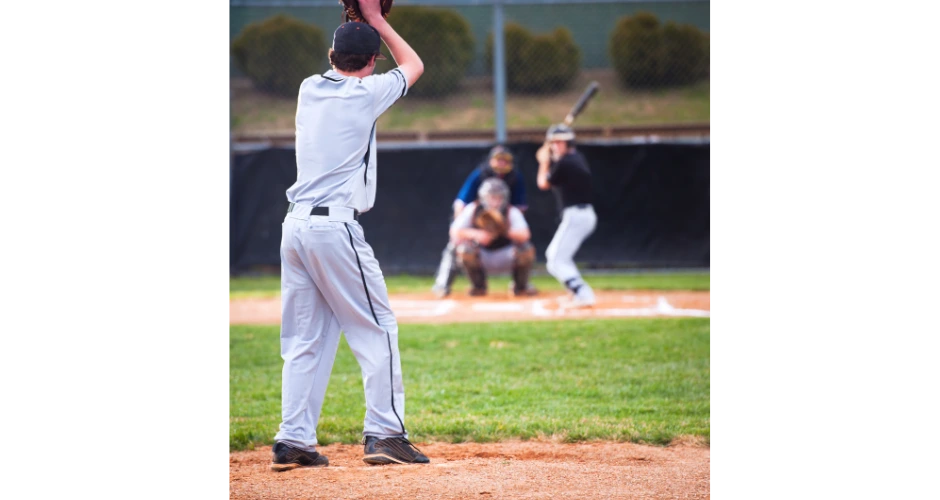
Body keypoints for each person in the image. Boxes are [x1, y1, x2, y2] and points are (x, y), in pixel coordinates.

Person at [271, 1, 430, 472]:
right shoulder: (368, 92)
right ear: (373, 61)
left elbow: (344, 64)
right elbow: (414, 65)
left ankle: (293, 440)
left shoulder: (307, 88)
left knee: (305, 340)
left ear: (331, 54)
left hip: (295, 229)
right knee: (376, 328)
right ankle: (386, 433)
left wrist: (356, 22)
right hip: (334, 229)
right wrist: (376, 21)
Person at [431, 144, 528, 298]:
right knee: (456, 245)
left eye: (505, 160)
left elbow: (520, 208)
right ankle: (443, 284)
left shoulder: (515, 177)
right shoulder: (480, 174)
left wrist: (503, 225)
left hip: (503, 224)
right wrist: (469, 229)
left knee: (525, 248)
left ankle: (522, 285)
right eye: (498, 160)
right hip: (479, 219)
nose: (501, 163)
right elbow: (461, 202)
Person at [535, 123, 597, 308]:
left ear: (568, 143)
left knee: (555, 259)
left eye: (559, 142)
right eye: (553, 143)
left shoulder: (566, 162)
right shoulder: (574, 158)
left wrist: (543, 162)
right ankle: (574, 291)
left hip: (577, 215)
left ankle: (583, 294)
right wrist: (549, 157)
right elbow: (558, 166)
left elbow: (543, 183)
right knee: (558, 257)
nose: (555, 146)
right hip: (581, 214)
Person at [449, 177, 538, 297]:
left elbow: (526, 235)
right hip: (482, 255)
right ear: (484, 197)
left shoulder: (511, 211)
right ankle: (478, 286)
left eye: (499, 197)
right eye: (492, 197)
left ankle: (520, 287)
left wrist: (504, 230)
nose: (495, 202)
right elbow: (454, 231)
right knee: (464, 249)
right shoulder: (473, 209)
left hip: (506, 255)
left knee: (526, 249)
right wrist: (476, 234)